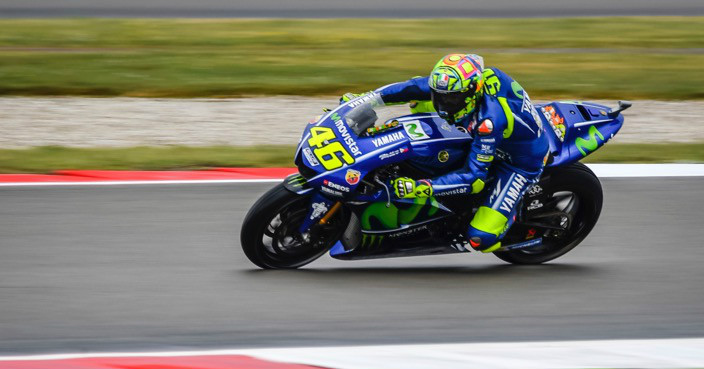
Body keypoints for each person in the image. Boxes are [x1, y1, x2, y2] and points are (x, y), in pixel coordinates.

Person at [341, 53, 549, 253]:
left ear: (472, 92)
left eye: (450, 100)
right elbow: (409, 88)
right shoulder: (462, 86)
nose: (441, 105)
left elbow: (473, 180)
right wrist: (363, 101)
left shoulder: (489, 123)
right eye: (438, 97)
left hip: (517, 161)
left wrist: (417, 188)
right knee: (416, 91)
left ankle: (512, 215)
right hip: (492, 132)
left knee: (480, 239)